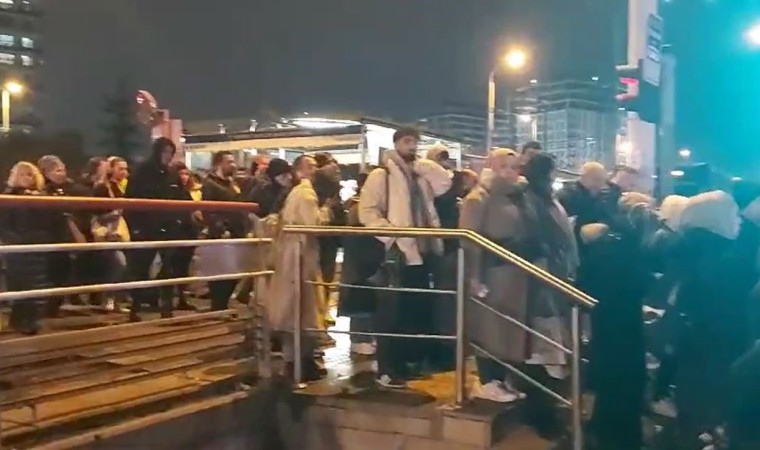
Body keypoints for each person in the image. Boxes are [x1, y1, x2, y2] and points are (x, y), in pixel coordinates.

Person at [358, 126, 452, 388]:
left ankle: (409, 362)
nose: (412, 146)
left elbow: (445, 183)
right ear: (396, 143)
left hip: (424, 251)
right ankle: (389, 368)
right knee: (393, 312)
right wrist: (392, 236)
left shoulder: (420, 175)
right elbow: (368, 211)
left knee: (415, 309)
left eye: (416, 142)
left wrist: (424, 164)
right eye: (407, 141)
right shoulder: (383, 174)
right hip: (400, 250)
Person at [672, 191, 755, 449]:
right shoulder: (715, 254)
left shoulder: (692, 247)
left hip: (697, 353)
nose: (738, 220)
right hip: (714, 353)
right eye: (733, 214)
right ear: (716, 218)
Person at [459, 148, 533, 402]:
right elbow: (469, 240)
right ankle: (487, 380)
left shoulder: (517, 196)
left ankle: (502, 379)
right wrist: (474, 276)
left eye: (514, 167)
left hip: (516, 272)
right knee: (490, 327)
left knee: (509, 328)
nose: (511, 173)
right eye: (504, 167)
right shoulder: (479, 197)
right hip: (492, 272)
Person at [521, 153, 579, 437]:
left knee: (552, 347)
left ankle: (550, 408)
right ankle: (541, 413)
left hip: (555, 278)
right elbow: (538, 237)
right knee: (543, 348)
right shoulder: (532, 200)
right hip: (543, 282)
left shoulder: (545, 199)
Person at [268, 155, 331, 381]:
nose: (315, 170)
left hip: (292, 255)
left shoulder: (296, 192)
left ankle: (296, 361)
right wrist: (326, 210)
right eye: (310, 166)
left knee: (295, 309)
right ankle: (299, 363)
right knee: (303, 309)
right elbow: (314, 225)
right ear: (299, 170)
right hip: (301, 257)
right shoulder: (306, 193)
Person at [124, 137, 183, 320]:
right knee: (140, 268)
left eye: (171, 153)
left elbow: (182, 197)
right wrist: (136, 226)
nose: (168, 156)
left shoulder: (172, 174)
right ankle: (135, 308)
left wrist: (179, 219)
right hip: (146, 227)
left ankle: (167, 309)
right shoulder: (142, 171)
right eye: (165, 152)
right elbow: (130, 199)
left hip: (168, 226)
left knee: (169, 268)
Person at [0, 162, 54, 334]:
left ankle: (32, 318)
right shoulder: (8, 196)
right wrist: (13, 240)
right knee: (19, 283)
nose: (27, 178)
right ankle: (19, 320)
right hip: (17, 246)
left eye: (30, 174)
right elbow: (4, 224)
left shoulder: (42, 197)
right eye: (23, 174)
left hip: (37, 244)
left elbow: (49, 221)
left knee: (37, 284)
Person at [201, 151, 247, 311]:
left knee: (234, 273)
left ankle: (223, 305)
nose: (233, 165)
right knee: (220, 273)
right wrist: (220, 228)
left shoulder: (232, 184)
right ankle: (218, 306)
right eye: (229, 162)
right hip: (221, 234)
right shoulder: (210, 184)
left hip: (236, 234)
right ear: (218, 164)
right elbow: (208, 210)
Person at [37, 155, 80, 315]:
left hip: (62, 238)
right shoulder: (41, 191)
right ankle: (45, 308)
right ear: (46, 173)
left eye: (63, 170)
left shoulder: (65, 189)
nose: (63, 174)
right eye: (58, 170)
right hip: (48, 238)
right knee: (50, 273)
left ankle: (53, 308)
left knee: (63, 273)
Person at [91, 157, 131, 312]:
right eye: (120, 169)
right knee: (118, 264)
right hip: (108, 231)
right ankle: (108, 299)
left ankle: (115, 301)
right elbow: (95, 213)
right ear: (111, 169)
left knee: (119, 266)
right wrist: (115, 213)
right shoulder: (102, 187)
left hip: (119, 232)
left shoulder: (121, 186)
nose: (124, 172)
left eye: (126, 169)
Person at [168, 161, 203, 310]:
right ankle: (168, 301)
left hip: (188, 232)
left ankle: (181, 298)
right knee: (171, 267)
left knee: (183, 267)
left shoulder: (185, 191)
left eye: (186, 174)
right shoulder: (171, 191)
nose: (184, 177)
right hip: (175, 232)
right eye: (181, 173)